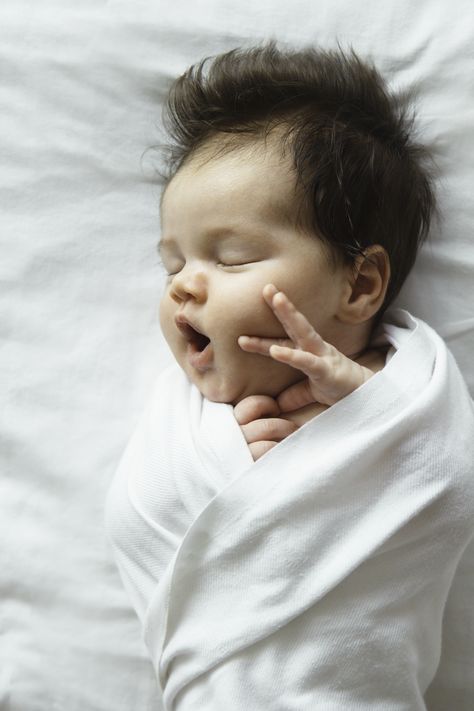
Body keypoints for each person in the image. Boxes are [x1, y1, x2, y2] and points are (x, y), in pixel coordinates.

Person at [105, 42, 474, 709]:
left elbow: (447, 485)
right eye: (173, 263)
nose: (185, 283)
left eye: (234, 257)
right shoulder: (182, 421)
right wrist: (223, 461)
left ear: (359, 284)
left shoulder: (413, 400)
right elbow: (134, 516)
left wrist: (366, 413)